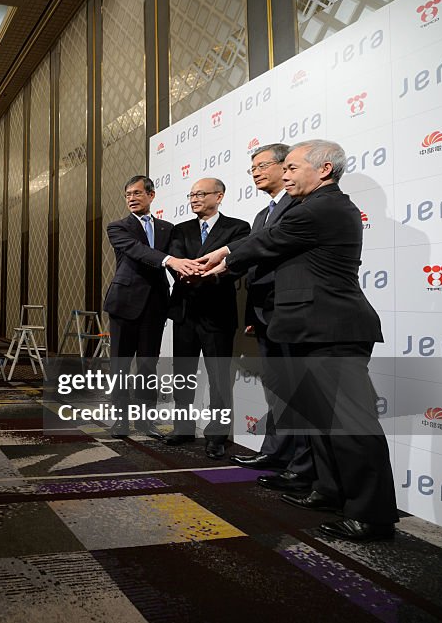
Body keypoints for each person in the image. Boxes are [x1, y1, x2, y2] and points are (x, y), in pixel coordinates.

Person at [201, 139, 398, 542]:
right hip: (311, 330)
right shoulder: (310, 207)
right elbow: (266, 240)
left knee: (350, 426)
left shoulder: (323, 207)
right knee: (321, 424)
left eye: (291, 167)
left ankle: (373, 515)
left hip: (334, 330)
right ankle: (329, 490)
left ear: (323, 170)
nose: (284, 174)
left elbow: (265, 241)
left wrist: (220, 259)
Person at [229, 144, 315, 492]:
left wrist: (223, 259)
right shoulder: (262, 216)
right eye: (252, 169)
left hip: (293, 313)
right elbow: (256, 269)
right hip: (266, 313)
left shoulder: (302, 206)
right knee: (278, 391)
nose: (256, 173)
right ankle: (275, 452)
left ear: (285, 167)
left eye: (263, 165)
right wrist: (251, 313)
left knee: (299, 393)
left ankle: (302, 465)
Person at [103, 175, 200, 437]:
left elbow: (179, 259)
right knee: (120, 366)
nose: (131, 199)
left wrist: (191, 268)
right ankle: (121, 420)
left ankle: (145, 421)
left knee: (148, 365)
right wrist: (170, 260)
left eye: (136, 193)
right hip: (124, 303)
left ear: (151, 195)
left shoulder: (169, 228)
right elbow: (137, 251)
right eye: (128, 195)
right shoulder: (117, 227)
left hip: (155, 305)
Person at [164, 178, 250, 458]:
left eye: (200, 194)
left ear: (219, 196)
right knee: (183, 376)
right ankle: (183, 428)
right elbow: (177, 264)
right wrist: (193, 270)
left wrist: (202, 272)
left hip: (218, 313)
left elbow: (235, 266)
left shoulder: (238, 228)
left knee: (219, 378)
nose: (194, 199)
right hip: (185, 311)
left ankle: (217, 435)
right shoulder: (180, 229)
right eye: (191, 195)